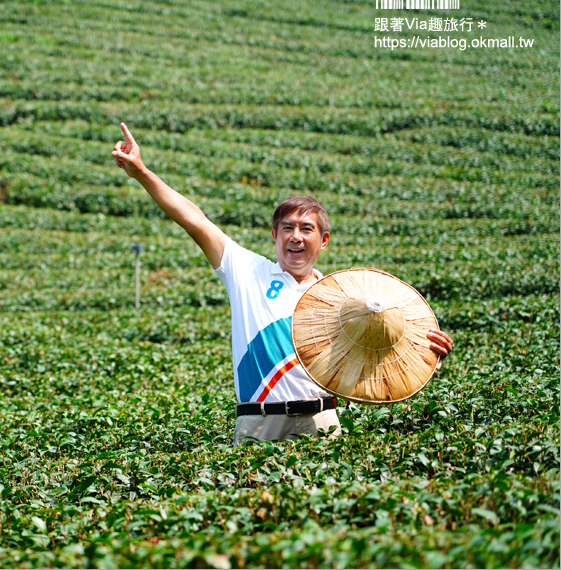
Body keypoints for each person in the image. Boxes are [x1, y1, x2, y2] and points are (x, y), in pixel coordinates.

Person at [111, 123, 454, 445]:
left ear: (324, 241)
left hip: (324, 421)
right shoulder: (247, 271)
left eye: (307, 229)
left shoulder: (342, 301)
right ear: (274, 236)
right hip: (259, 423)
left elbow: (374, 363)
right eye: (287, 228)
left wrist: (427, 355)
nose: (296, 237)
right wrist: (142, 172)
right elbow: (195, 220)